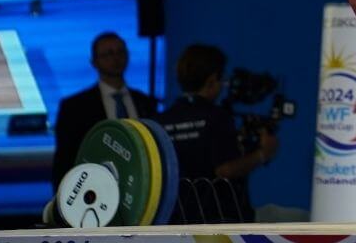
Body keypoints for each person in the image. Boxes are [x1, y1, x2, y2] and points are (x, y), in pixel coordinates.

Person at [158, 44, 279, 221]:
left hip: (174, 221)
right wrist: (263, 154)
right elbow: (225, 170)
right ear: (212, 80)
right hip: (219, 224)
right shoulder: (217, 117)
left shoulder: (160, 121)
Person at [52, 32, 157, 190]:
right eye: (108, 54)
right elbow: (64, 161)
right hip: (95, 190)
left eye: (120, 52)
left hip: (142, 188)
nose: (115, 58)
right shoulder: (74, 107)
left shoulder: (146, 102)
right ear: (94, 61)